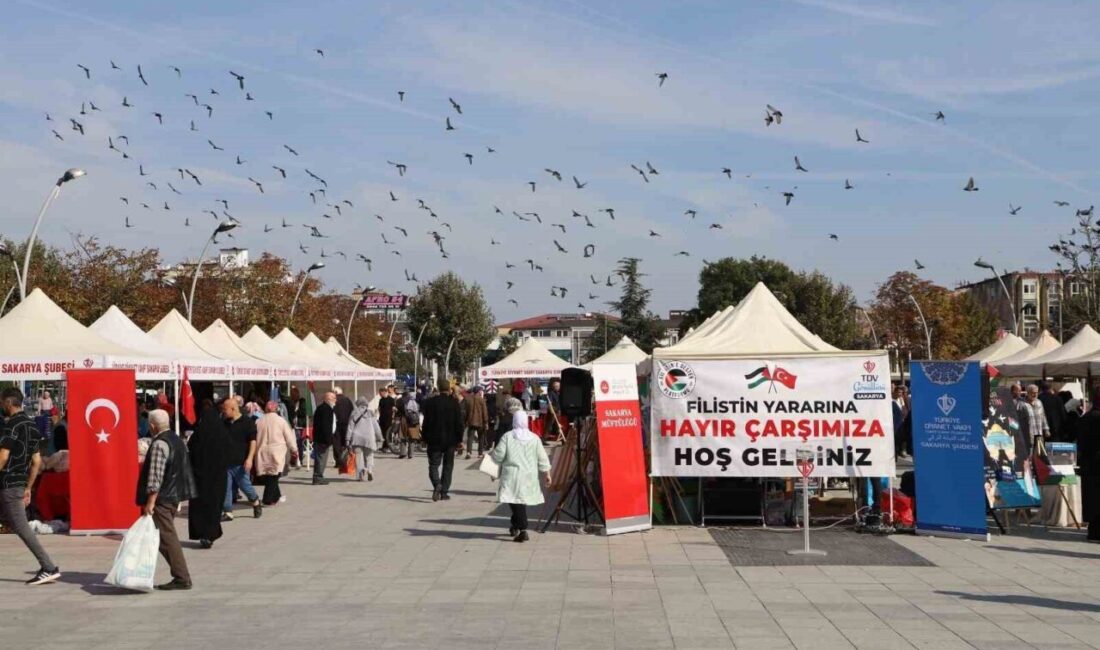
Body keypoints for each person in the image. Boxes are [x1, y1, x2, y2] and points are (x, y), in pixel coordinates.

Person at [0, 387, 60, 585]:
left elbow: (3, 456)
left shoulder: (11, 426)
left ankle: (49, 567)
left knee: (22, 527)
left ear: (8, 403)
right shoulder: (32, 426)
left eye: (2, 402)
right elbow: (36, 462)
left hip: (8, 483)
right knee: (18, 525)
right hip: (19, 483)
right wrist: (28, 487)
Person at [137, 409, 196, 591]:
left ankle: (181, 576)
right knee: (164, 537)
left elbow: (156, 476)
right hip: (174, 495)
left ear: (152, 426)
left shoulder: (159, 444)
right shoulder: (177, 440)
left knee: (167, 538)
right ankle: (177, 575)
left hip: (163, 498)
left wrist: (151, 502)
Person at [491, 411, 552, 543]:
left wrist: (492, 458)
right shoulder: (535, 438)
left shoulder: (508, 437)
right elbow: (542, 457)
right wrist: (547, 474)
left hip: (512, 476)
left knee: (515, 502)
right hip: (529, 476)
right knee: (519, 502)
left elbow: (499, 455)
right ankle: (515, 526)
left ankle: (523, 529)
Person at [187, 406, 229, 549]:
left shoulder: (198, 434)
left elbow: (190, 452)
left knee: (200, 507)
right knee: (214, 506)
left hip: (199, 478)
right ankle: (210, 534)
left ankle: (202, 534)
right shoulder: (222, 433)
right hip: (218, 478)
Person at [422, 378, 464, 501]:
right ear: (449, 389)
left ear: (439, 388)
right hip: (450, 440)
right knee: (448, 465)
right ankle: (444, 491)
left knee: (433, 465)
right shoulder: (454, 403)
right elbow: (459, 423)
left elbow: (426, 422)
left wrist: (424, 437)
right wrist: (460, 440)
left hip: (434, 440)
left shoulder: (430, 403)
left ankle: (437, 484)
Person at [221, 398, 263, 520]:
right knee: (226, 487)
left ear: (233, 409)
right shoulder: (225, 422)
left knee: (245, 485)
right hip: (226, 460)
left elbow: (253, 442)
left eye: (225, 409)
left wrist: (249, 458)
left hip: (240, 461)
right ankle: (228, 511)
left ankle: (255, 501)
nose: (224, 411)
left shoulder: (247, 422)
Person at [254, 401, 297, 505]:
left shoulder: (258, 421)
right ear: (276, 409)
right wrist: (294, 449)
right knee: (274, 474)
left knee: (270, 474)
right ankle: (267, 498)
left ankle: (276, 496)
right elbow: (289, 436)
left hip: (262, 450)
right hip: (277, 451)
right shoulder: (281, 421)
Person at [1077, 388, 1100, 542]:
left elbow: (1080, 441)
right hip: (1097, 462)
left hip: (1088, 464)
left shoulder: (1086, 417)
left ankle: (1093, 531)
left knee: (1091, 498)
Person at [347, 396, 381, 482]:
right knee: (369, 456)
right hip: (369, 438)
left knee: (358, 457)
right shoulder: (370, 413)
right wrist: (379, 437)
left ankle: (360, 474)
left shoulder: (354, 413)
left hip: (356, 438)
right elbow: (376, 427)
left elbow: (350, 427)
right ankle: (369, 470)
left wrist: (347, 439)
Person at [312, 391, 337, 485]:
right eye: (334, 398)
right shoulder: (326, 409)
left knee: (320, 458)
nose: (335, 400)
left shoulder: (321, 408)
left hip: (320, 437)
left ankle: (318, 476)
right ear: (328, 399)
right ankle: (318, 477)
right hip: (323, 439)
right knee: (321, 459)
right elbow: (326, 426)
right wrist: (328, 439)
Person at [464, 385, 489, 459]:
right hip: (480, 422)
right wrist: (486, 422)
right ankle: (480, 453)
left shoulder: (468, 399)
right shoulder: (482, 400)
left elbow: (466, 412)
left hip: (471, 421)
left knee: (470, 437)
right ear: (478, 391)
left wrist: (465, 421)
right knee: (481, 437)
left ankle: (468, 452)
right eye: (481, 390)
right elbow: (484, 412)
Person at [285, 386, 307, 467]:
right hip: (291, 425)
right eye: (291, 394)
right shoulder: (290, 402)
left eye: (294, 394)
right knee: (292, 443)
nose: (292, 396)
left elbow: (303, 412)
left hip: (299, 425)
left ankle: (299, 459)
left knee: (298, 442)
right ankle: (293, 459)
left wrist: (295, 411)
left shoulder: (302, 402)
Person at [333, 387, 354, 468]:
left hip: (337, 425)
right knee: (346, 442)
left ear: (335, 392)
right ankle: (347, 460)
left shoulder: (334, 400)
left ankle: (338, 461)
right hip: (347, 424)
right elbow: (352, 411)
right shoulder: (347, 400)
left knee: (336, 443)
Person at [399, 389, 421, 460]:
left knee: (403, 436)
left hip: (404, 419)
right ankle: (411, 454)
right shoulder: (416, 402)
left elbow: (399, 410)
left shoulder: (401, 402)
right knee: (412, 437)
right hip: (414, 421)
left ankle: (403, 453)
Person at [377, 387, 396, 453]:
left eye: (380, 393)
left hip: (389, 419)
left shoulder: (391, 399)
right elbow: (379, 409)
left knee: (388, 433)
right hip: (382, 419)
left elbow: (393, 409)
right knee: (383, 433)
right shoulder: (381, 400)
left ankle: (388, 447)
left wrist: (393, 418)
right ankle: (384, 446)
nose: (379, 394)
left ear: (384, 392)